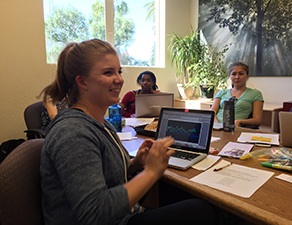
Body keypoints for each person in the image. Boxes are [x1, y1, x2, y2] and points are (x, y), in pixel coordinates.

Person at [39, 39, 219, 225]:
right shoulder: (72, 132)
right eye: (108, 72)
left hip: (123, 214)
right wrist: (150, 173)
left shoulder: (101, 124)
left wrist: (135, 165)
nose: (119, 79)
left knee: (179, 196)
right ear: (82, 81)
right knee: (202, 211)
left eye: (119, 71)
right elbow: (94, 215)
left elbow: (106, 176)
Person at [210, 62, 264, 127]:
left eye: (241, 74)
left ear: (247, 76)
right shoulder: (221, 92)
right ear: (230, 76)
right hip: (216, 127)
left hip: (236, 129)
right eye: (234, 74)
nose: (237, 77)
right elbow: (212, 112)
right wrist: (217, 123)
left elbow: (257, 120)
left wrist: (240, 121)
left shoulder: (255, 94)